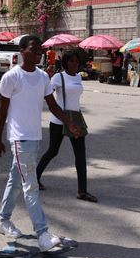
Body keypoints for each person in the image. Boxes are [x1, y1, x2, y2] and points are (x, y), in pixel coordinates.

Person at [0, 35, 80, 252]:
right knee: (30, 185)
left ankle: (2, 220)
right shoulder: (11, 77)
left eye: (40, 49)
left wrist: (69, 123)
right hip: (19, 138)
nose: (38, 52)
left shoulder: (42, 77)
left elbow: (52, 105)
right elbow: (2, 111)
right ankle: (42, 233)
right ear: (22, 51)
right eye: (34, 49)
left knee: (16, 179)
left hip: (34, 136)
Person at [36, 49, 97, 202]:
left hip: (76, 119)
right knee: (52, 151)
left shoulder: (78, 77)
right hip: (59, 120)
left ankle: (82, 191)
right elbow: (47, 93)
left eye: (76, 61)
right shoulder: (58, 77)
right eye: (71, 61)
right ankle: (34, 178)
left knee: (81, 156)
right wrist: (47, 77)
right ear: (65, 62)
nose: (74, 64)